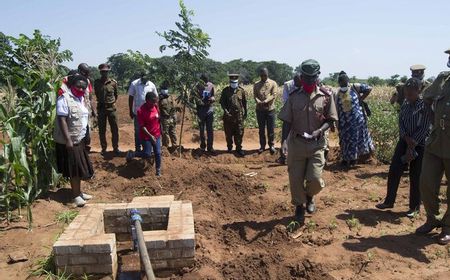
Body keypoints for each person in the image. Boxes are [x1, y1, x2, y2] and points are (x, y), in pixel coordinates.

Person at [278, 59, 338, 223]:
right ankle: (299, 206)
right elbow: (287, 121)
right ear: (301, 77)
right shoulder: (293, 97)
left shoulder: (326, 96)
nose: (310, 80)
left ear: (318, 76)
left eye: (313, 77)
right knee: (295, 178)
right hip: (296, 143)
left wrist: (320, 130)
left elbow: (331, 120)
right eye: (306, 77)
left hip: (316, 144)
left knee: (315, 179)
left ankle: (310, 196)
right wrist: (283, 141)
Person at [376, 78, 431, 217]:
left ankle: (414, 208)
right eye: (406, 93)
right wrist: (406, 138)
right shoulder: (405, 104)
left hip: (420, 143)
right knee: (394, 169)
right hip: (404, 140)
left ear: (418, 91)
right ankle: (389, 201)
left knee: (416, 175)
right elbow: (401, 121)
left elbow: (425, 127)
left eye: (411, 93)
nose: (407, 95)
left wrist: (413, 142)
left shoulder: (424, 106)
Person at [415, 48, 450, 245]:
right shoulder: (442, 79)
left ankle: (447, 226)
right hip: (436, 141)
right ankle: (432, 219)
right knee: (426, 182)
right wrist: (433, 120)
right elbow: (426, 98)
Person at [54, 74, 94, 207]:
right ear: (71, 86)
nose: (81, 89)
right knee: (75, 169)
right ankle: (75, 196)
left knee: (79, 168)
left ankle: (79, 192)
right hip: (71, 140)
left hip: (80, 138)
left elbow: (83, 119)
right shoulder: (64, 98)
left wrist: (87, 134)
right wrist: (68, 140)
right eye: (78, 87)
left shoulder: (81, 99)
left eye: (83, 88)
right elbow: (62, 120)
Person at [335, 71, 374, 168]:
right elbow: (336, 107)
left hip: (357, 120)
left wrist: (361, 98)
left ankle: (354, 159)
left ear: (347, 81)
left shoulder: (354, 87)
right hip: (344, 122)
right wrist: (337, 122)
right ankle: (345, 159)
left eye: (344, 81)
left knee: (355, 139)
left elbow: (369, 88)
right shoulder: (337, 92)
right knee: (345, 140)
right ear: (339, 82)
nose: (342, 82)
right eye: (341, 81)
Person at [126, 90, 162, 176]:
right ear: (147, 100)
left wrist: (161, 131)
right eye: (153, 101)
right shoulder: (141, 111)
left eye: (155, 101)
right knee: (147, 154)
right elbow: (142, 127)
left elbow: (159, 120)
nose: (154, 103)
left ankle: (158, 170)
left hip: (156, 134)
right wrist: (150, 136)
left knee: (158, 152)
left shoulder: (156, 107)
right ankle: (132, 154)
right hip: (146, 136)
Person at [128, 71, 158, 153]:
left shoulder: (151, 85)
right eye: (144, 77)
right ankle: (138, 148)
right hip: (138, 112)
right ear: (141, 76)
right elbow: (130, 97)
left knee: (150, 130)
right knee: (138, 131)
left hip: (150, 113)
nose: (145, 79)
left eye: (147, 77)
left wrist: (157, 111)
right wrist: (130, 111)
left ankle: (149, 149)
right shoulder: (134, 84)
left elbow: (156, 99)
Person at [94, 63, 120, 155]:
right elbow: (97, 94)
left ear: (108, 72)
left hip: (111, 109)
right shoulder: (96, 83)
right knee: (102, 129)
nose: (104, 73)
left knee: (115, 129)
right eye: (102, 72)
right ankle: (104, 148)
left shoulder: (113, 83)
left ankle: (116, 148)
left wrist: (110, 103)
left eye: (106, 72)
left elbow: (116, 95)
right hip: (101, 109)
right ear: (100, 72)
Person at [220, 73, 248, 157]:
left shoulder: (241, 91)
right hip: (228, 116)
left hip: (239, 116)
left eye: (235, 82)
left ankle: (239, 148)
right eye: (232, 82)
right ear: (230, 81)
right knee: (228, 133)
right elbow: (222, 103)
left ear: (237, 82)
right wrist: (225, 111)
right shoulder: (225, 91)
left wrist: (245, 112)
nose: (234, 83)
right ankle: (229, 148)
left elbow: (244, 103)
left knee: (239, 132)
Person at [277, 73, 301, 164]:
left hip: (300, 114)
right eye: (296, 83)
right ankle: (283, 157)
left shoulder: (304, 85)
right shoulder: (288, 85)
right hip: (289, 112)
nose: (297, 85)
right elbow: (286, 100)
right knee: (285, 136)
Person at [253, 68, 278, 154]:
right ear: (260, 75)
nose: (263, 77)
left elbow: (274, 95)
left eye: (265, 75)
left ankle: (271, 145)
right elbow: (255, 95)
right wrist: (258, 101)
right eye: (262, 75)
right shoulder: (256, 84)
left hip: (270, 109)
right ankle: (262, 146)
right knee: (261, 129)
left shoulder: (273, 83)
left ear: (268, 74)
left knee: (270, 129)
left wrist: (266, 101)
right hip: (260, 110)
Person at [77, 63, 96, 152]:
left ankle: (85, 146)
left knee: (87, 128)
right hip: (77, 109)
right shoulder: (73, 81)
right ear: (81, 72)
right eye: (86, 72)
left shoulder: (87, 81)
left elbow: (90, 97)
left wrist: (93, 110)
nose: (88, 75)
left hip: (86, 108)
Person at [195, 74, 215, 153]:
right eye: (204, 81)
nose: (206, 83)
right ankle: (203, 146)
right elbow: (194, 98)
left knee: (210, 129)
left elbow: (213, 95)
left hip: (209, 110)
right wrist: (201, 101)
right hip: (201, 110)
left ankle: (210, 147)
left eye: (207, 81)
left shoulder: (211, 85)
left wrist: (212, 98)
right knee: (202, 130)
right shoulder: (197, 86)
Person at [159, 81, 178, 148]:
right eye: (163, 89)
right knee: (165, 133)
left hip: (172, 117)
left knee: (172, 132)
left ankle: (174, 146)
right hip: (164, 118)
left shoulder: (171, 97)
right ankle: (165, 147)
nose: (165, 90)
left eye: (166, 89)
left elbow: (174, 108)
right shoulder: (159, 98)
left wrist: (175, 118)